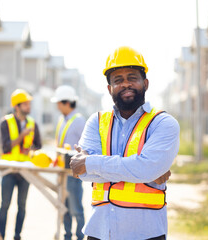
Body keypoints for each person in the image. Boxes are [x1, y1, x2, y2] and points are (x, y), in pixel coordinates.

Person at [70, 46, 179, 240]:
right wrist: (141, 170)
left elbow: (145, 168)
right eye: (118, 80)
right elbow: (84, 174)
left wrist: (90, 161)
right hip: (99, 231)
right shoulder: (96, 122)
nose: (126, 84)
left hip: (146, 233)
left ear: (145, 83)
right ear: (109, 88)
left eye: (132, 78)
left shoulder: (163, 123)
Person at [0, 89, 42, 240]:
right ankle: (1, 236)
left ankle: (17, 236)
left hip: (25, 171)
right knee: (5, 205)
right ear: (17, 106)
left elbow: (38, 145)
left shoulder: (32, 123)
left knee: (21, 206)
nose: (28, 106)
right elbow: (5, 147)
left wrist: (32, 150)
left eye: (29, 104)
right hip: (9, 170)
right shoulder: (6, 122)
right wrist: (21, 136)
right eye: (26, 104)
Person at [51, 85, 86, 240]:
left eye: (59, 103)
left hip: (73, 173)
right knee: (64, 208)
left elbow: (86, 147)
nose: (57, 106)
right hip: (62, 171)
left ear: (66, 103)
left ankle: (79, 236)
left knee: (76, 209)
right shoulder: (62, 120)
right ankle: (67, 236)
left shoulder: (78, 121)